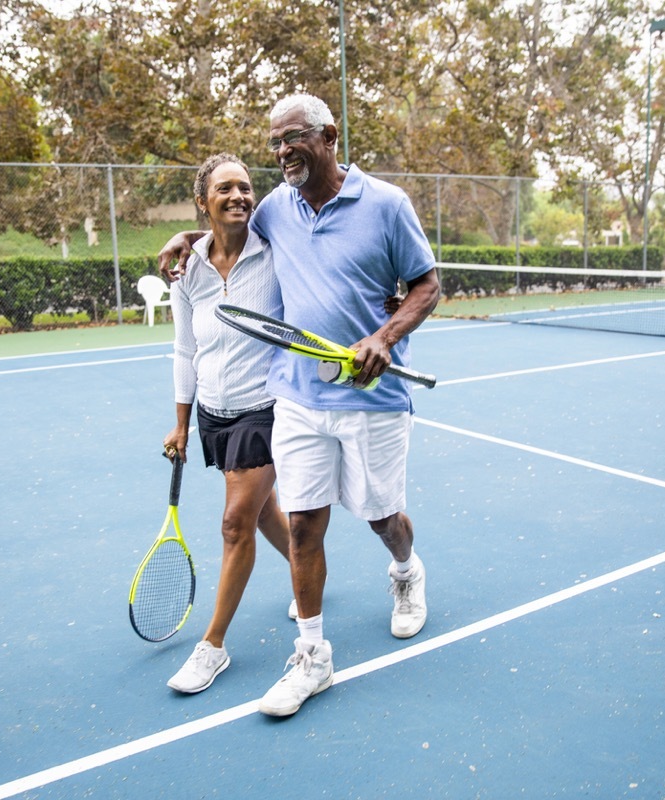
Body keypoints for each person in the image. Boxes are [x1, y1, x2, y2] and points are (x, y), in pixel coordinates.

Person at [160, 94, 441, 717]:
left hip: (374, 399)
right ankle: (313, 655)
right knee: (306, 525)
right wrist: (189, 237)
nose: (283, 151)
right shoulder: (275, 211)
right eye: (275, 143)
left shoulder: (388, 205)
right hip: (296, 397)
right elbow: (226, 226)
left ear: (329, 135)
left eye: (293, 138)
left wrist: (384, 337)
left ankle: (405, 569)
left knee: (380, 517)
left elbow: (427, 285)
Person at [161, 153, 294, 694]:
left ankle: (211, 646)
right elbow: (184, 349)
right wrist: (181, 424)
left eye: (245, 187)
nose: (239, 195)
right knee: (261, 514)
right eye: (225, 189)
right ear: (204, 201)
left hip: (267, 405)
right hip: (215, 412)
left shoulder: (276, 248)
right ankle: (305, 565)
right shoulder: (186, 268)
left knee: (235, 522)